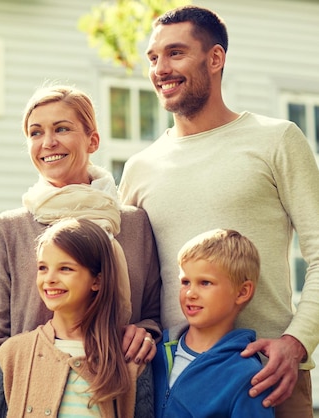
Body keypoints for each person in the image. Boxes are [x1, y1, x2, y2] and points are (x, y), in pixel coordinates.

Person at [118, 5, 319, 417]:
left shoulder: (276, 139)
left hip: (269, 375)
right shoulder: (140, 167)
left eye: (175, 53)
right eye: (153, 58)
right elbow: (121, 270)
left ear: (215, 58)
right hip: (168, 385)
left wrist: (296, 342)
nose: (160, 68)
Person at [0, 85, 161, 418]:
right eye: (35, 133)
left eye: (62, 129)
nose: (48, 143)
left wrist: (146, 332)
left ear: (93, 141)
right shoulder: (9, 230)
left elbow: (154, 311)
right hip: (29, 396)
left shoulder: (135, 225)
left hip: (111, 394)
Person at [0, 218, 145, 418]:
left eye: (65, 268)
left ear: (97, 280)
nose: (50, 279)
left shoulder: (129, 361)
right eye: (43, 268)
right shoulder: (12, 355)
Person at [152, 228, 274, 417]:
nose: (190, 293)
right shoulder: (156, 351)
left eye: (205, 283)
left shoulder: (246, 375)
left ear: (242, 292)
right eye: (185, 282)